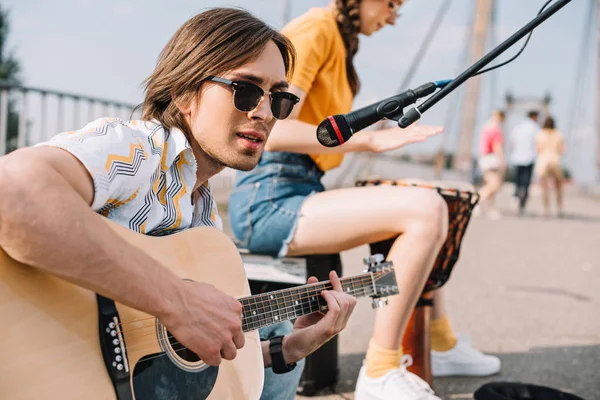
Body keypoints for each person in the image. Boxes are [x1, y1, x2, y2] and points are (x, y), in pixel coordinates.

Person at [0, 8, 357, 400]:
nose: (265, 112)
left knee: (277, 342)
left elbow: (184, 345)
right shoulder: (136, 150)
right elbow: (12, 191)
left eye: (280, 99)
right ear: (184, 93)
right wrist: (176, 300)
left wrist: (291, 349)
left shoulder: (203, 221)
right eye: (246, 90)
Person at [229, 1, 499, 399]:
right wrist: (370, 140)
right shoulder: (317, 29)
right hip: (269, 195)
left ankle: (439, 341)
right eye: (390, 3)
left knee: (420, 200)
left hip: (301, 185)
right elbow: (275, 129)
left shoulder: (340, 39)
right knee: (426, 210)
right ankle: (380, 368)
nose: (393, 16)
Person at [476, 109, 506, 220]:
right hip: (491, 159)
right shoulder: (495, 129)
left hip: (485, 158)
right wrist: (502, 159)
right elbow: (496, 145)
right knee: (494, 184)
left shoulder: (486, 127)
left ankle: (490, 208)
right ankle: (476, 201)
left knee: (492, 183)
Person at [509, 110, 540, 215]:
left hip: (517, 158)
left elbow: (512, 142)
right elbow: (537, 144)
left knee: (518, 180)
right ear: (534, 117)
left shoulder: (518, 127)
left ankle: (516, 196)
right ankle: (522, 205)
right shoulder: (535, 128)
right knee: (526, 183)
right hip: (529, 158)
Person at [534, 115, 566, 217]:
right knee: (558, 186)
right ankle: (559, 208)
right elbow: (562, 149)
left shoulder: (540, 134)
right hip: (555, 160)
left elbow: (537, 149)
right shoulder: (559, 134)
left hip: (543, 161)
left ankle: (546, 208)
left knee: (544, 187)